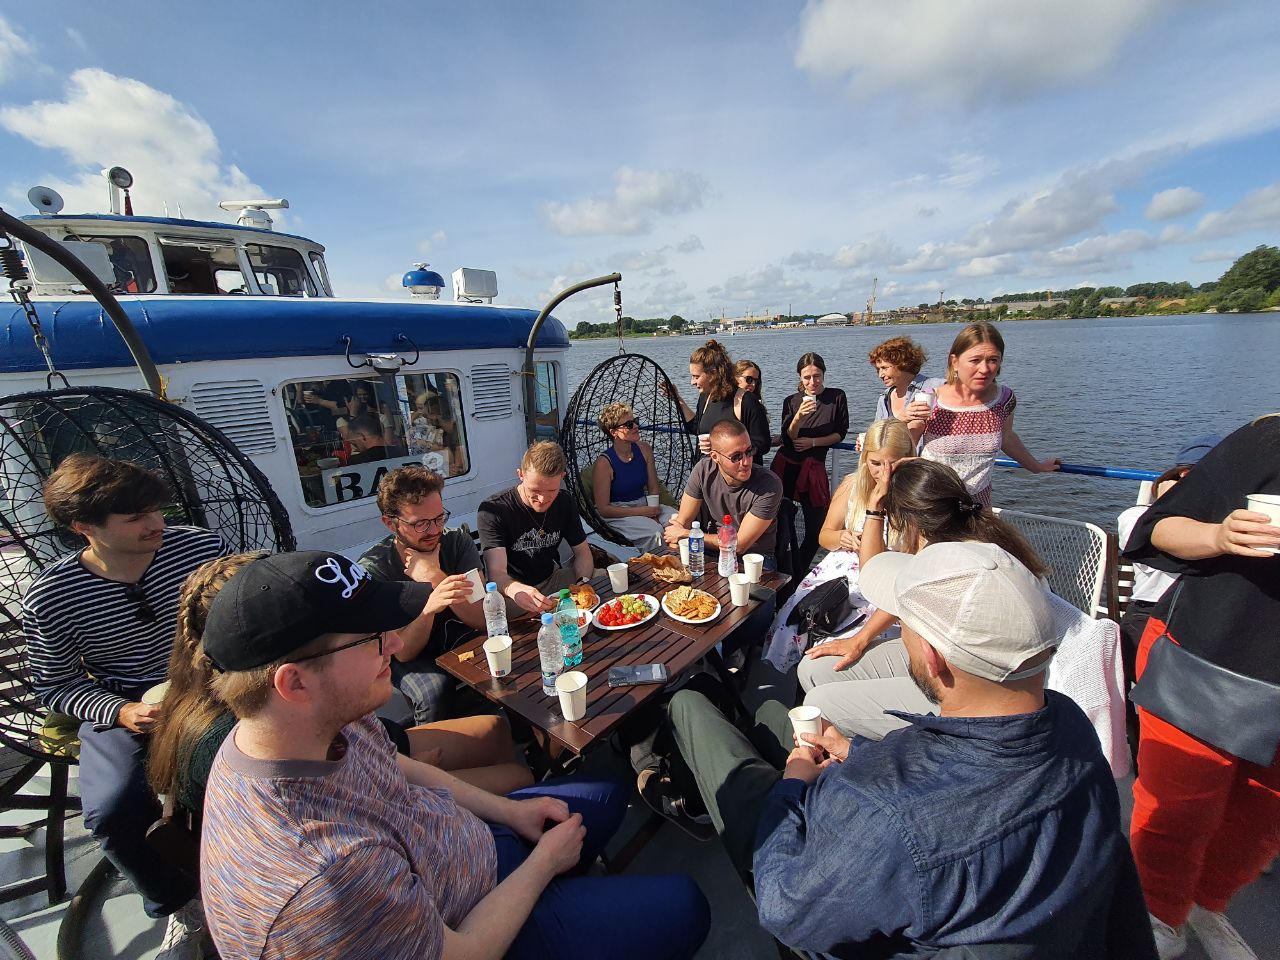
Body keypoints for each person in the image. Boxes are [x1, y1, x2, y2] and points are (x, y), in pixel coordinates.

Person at [197, 550, 710, 960]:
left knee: (608, 791)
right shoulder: (322, 879)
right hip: (470, 928)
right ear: (294, 682)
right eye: (373, 638)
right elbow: (462, 953)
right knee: (689, 907)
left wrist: (512, 811)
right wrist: (543, 866)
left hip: (469, 851)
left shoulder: (307, 726)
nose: (396, 644)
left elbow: (394, 765)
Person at [659, 542, 1156, 958]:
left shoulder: (888, 811)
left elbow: (785, 905)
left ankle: (692, 729)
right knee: (772, 721)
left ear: (931, 656)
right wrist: (852, 753)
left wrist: (792, 783)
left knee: (692, 708)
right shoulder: (1073, 727)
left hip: (829, 905)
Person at [21, 454, 227, 959]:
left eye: (156, 510)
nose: (156, 524)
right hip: (127, 702)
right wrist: (118, 711)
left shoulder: (200, 549)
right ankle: (177, 902)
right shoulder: (52, 597)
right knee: (113, 810)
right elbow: (55, 684)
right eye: (136, 517)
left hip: (218, 684)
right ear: (84, 528)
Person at [147, 553, 532, 821]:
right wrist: (405, 772)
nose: (390, 643)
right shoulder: (247, 739)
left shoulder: (302, 703)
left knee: (496, 728)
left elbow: (367, 747)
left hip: (387, 752)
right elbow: (360, 801)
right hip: (385, 792)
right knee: (520, 778)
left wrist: (393, 761)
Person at [1122, 416, 1280, 960]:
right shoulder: (1268, 440)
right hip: (1210, 660)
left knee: (1261, 823)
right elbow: (1156, 528)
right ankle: (1158, 916)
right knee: (1180, 809)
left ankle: (1205, 904)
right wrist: (1218, 535)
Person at [799, 457, 1047, 739]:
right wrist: (859, 641)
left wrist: (874, 508)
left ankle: (866, 758)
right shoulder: (976, 549)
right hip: (955, 663)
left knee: (820, 703)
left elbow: (873, 572)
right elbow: (876, 575)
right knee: (813, 669)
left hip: (973, 689)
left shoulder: (945, 573)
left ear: (908, 523)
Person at [764, 418, 913, 672]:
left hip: (888, 581)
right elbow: (825, 536)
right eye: (875, 464)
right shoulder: (853, 486)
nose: (882, 474)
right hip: (842, 571)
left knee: (845, 638)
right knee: (794, 618)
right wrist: (842, 536)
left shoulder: (918, 497)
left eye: (893, 465)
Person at [358, 465, 489, 723]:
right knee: (433, 691)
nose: (433, 530)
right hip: (409, 649)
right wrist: (430, 606)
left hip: (459, 632)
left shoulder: (456, 543)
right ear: (390, 523)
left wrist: (435, 577)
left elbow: (482, 617)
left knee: (504, 650)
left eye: (439, 518)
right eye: (420, 524)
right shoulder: (376, 571)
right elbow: (403, 653)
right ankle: (434, 753)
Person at [913, 322, 1059, 506]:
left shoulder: (1004, 398)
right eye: (975, 360)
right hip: (933, 508)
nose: (984, 369)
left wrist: (1036, 466)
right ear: (955, 362)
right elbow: (906, 445)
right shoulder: (931, 399)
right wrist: (904, 420)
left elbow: (1006, 437)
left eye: (993, 360)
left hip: (978, 507)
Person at [1115, 433, 1220, 687]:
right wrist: (1172, 504)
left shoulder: (1227, 521)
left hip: (1206, 617)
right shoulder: (1137, 517)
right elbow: (1157, 540)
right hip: (1149, 614)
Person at [478, 441, 594, 616]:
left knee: (605, 580)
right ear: (520, 474)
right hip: (512, 591)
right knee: (499, 617)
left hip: (552, 580)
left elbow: (583, 553)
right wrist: (518, 591)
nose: (542, 499)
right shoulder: (494, 510)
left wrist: (583, 583)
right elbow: (496, 574)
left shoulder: (565, 502)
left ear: (562, 477)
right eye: (535, 490)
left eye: (551, 491)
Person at [664, 419, 783, 570]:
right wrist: (676, 543)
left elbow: (739, 545)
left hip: (753, 558)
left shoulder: (769, 485)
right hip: (713, 550)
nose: (746, 462)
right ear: (715, 457)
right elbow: (681, 523)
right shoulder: (703, 470)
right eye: (736, 457)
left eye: (749, 451)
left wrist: (686, 535)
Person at [771, 352, 849, 573]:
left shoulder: (836, 397)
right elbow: (788, 438)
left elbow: (840, 433)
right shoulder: (791, 401)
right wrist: (798, 417)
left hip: (813, 469)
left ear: (823, 374)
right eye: (807, 377)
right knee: (781, 523)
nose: (812, 382)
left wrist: (813, 442)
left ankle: (798, 572)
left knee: (816, 530)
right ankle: (780, 571)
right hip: (786, 467)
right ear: (800, 377)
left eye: (817, 376)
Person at [665, 339, 770, 463]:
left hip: (740, 478)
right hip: (708, 474)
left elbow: (762, 444)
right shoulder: (705, 397)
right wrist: (677, 399)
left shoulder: (747, 401)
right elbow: (696, 428)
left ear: (713, 374)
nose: (692, 382)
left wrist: (718, 446)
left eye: (696, 377)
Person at [591, 402, 677, 552]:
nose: (636, 426)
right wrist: (643, 512)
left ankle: (682, 561)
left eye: (635, 421)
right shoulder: (604, 463)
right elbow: (604, 509)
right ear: (614, 432)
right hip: (618, 512)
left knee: (677, 520)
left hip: (644, 504)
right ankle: (659, 568)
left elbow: (653, 486)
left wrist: (654, 509)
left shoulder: (644, 450)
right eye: (629, 424)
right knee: (654, 533)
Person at [868, 336, 944, 443]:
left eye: (884, 368)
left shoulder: (938, 386)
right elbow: (878, 437)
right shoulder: (884, 399)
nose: (880, 374)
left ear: (902, 363)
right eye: (878, 369)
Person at [732, 359, 766, 425]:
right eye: (749, 379)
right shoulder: (722, 402)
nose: (753, 384)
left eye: (756, 381)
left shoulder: (756, 404)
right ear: (736, 378)